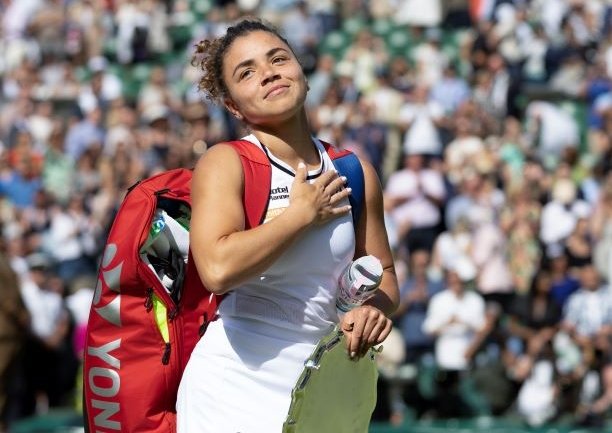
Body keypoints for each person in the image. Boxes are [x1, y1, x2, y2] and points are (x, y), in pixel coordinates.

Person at [177, 19, 399, 433]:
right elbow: (217, 269)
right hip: (233, 385)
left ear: (303, 73)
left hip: (325, 388)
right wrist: (301, 215)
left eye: (278, 59)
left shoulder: (355, 170)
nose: (268, 73)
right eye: (247, 72)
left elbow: (384, 274)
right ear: (233, 107)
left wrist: (372, 309)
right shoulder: (226, 163)